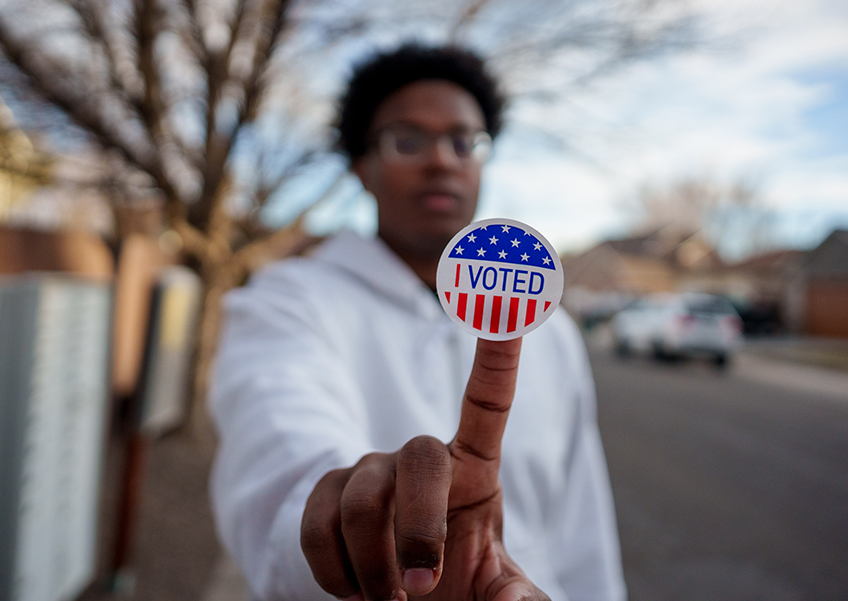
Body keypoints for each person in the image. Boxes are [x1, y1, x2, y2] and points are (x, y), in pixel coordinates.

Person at [209, 44, 626, 601]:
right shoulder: (289, 302)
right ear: (362, 167)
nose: (442, 160)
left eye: (464, 142)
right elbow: (279, 456)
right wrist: (353, 518)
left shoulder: (549, 331)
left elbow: (583, 530)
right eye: (407, 139)